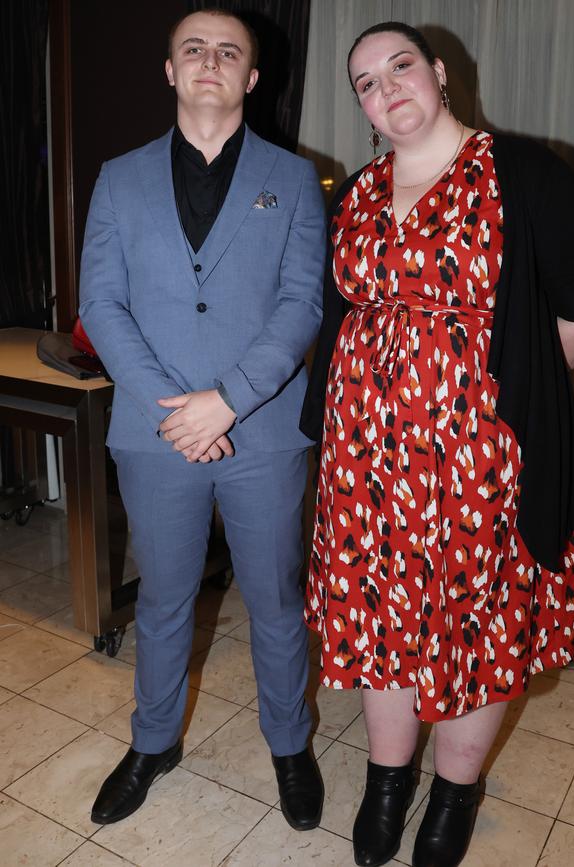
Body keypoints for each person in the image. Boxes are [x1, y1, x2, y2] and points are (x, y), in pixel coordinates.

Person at [299, 21, 574, 867]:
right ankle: (387, 779)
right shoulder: (356, 192)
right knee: (381, 615)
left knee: (475, 619)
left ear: (439, 72)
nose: (386, 87)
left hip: (482, 459)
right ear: (362, 105)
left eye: (400, 66)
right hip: (365, 458)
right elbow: (334, 315)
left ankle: (454, 791)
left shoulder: (524, 174)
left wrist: (492, 393)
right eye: (365, 80)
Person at [80, 7, 326, 830]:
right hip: (153, 436)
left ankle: (289, 743)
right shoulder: (117, 177)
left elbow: (301, 305)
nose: (210, 61)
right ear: (170, 70)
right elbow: (101, 306)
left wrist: (225, 400)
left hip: (260, 431)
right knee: (162, 600)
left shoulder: (295, 180)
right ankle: (154, 741)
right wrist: (174, 410)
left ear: (252, 78)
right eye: (194, 49)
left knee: (276, 599)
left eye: (229, 52)